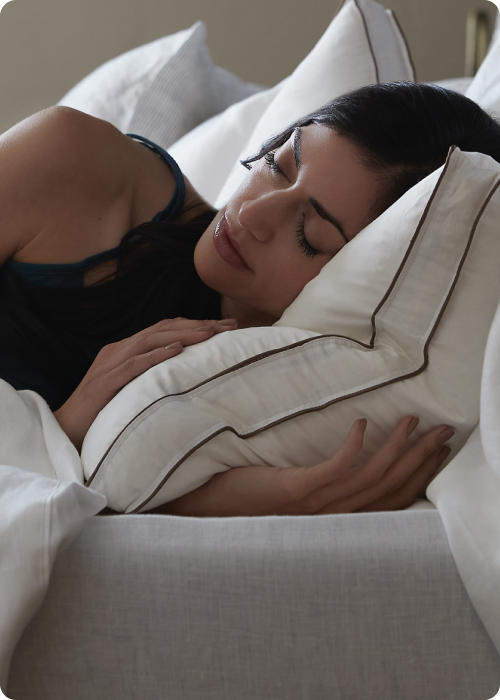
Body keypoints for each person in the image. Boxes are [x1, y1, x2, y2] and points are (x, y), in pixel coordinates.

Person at [1, 81, 499, 516]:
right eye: (281, 165)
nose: (253, 213)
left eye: (311, 236)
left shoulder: (294, 397)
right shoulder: (77, 161)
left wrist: (225, 500)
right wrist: (58, 431)